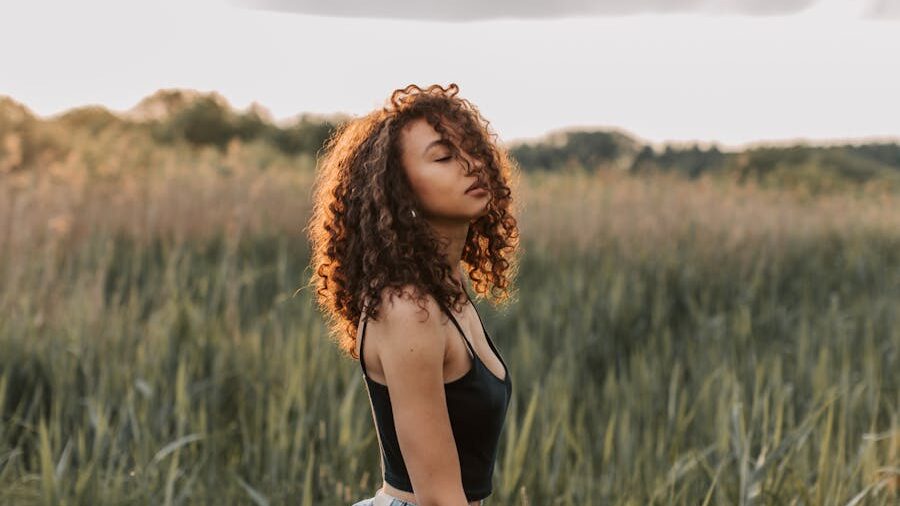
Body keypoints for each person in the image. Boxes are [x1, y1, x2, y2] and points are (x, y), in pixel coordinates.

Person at [306, 83, 521, 506]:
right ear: (397, 188)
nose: (471, 165)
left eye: (471, 149)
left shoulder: (446, 287)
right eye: (443, 157)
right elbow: (439, 499)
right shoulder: (407, 308)